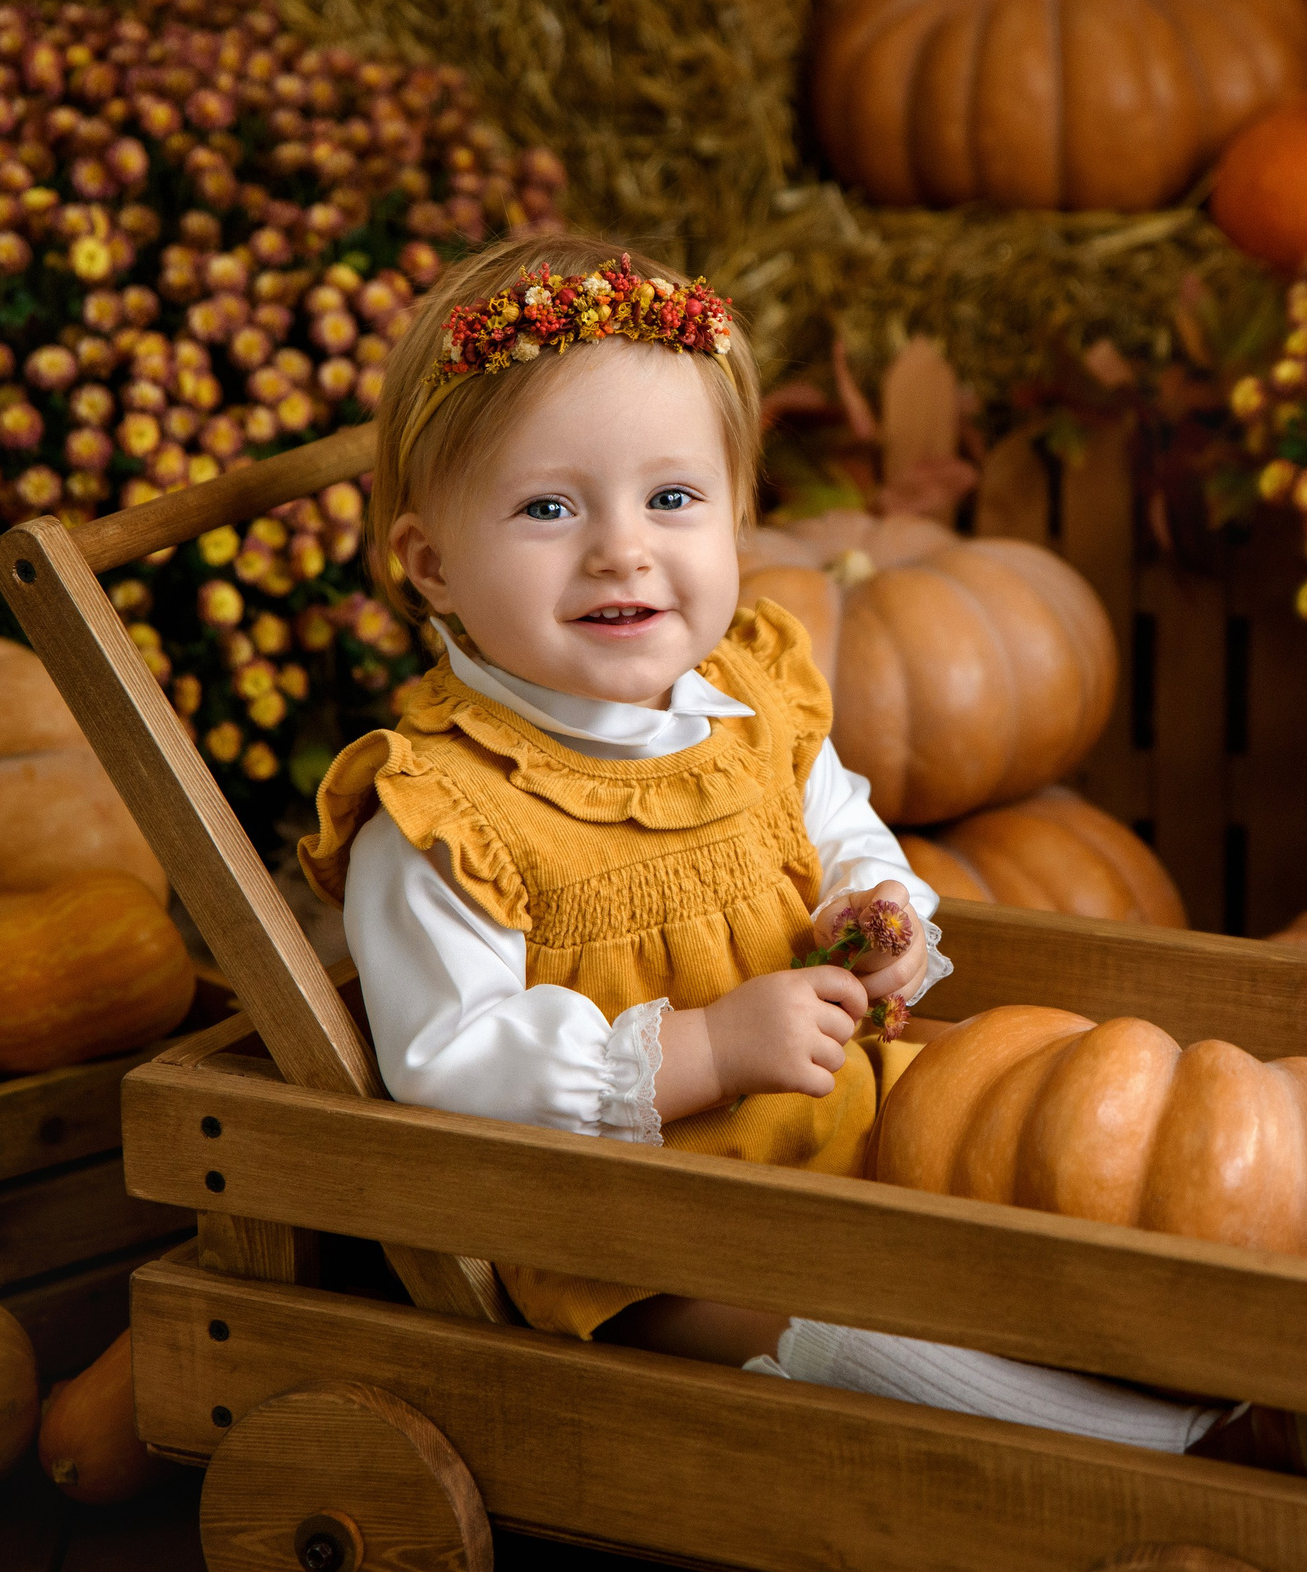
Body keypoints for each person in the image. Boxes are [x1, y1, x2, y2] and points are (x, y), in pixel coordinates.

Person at [298, 232, 1251, 1457]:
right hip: (657, 1238)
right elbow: (449, 1060)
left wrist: (883, 912)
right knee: (882, 1353)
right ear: (430, 563)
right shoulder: (439, 815)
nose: (622, 549)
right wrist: (700, 1048)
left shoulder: (752, 704)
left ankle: (1223, 1376)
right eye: (548, 507)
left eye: (673, 498)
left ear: (739, 519)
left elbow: (844, 828)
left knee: (1051, 1180)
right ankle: (1173, 1454)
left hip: (848, 1139)